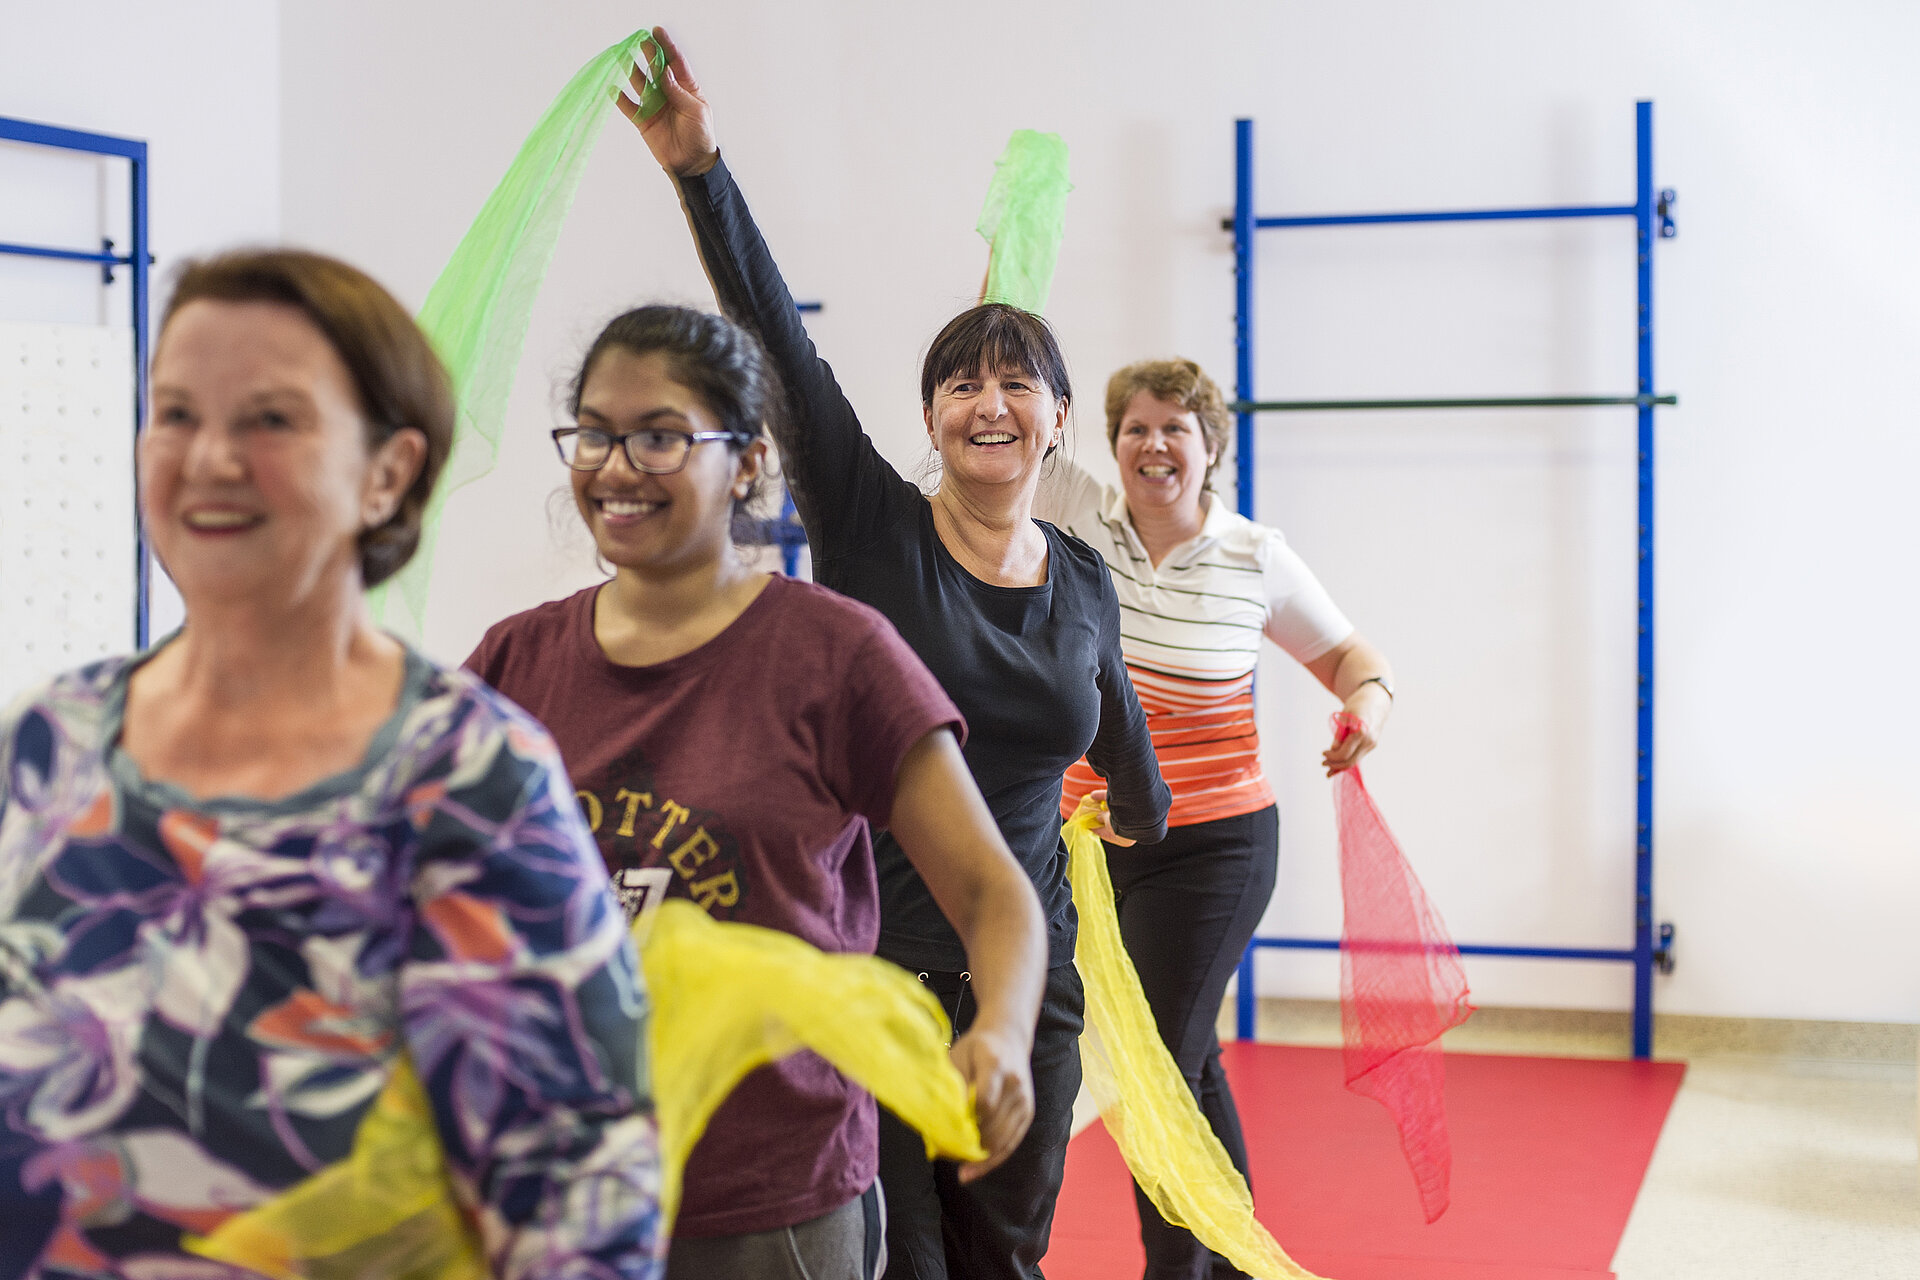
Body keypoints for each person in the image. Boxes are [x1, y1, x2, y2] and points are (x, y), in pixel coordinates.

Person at [617, 29, 1172, 1280]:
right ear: (929, 418)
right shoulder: (873, 528)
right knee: (900, 1264)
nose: (988, 403)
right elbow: (773, 334)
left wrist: (1148, 808)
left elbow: (1118, 724)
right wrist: (701, 170)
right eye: (961, 384)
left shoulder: (1084, 576)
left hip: (1027, 989)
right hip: (870, 980)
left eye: (1016, 383)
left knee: (1004, 1261)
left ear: (1057, 419)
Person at [0, 250, 661, 1276]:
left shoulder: (468, 778)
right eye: (174, 413)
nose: (209, 456)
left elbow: (580, 1207)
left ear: (387, 471)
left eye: (269, 419)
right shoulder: (51, 739)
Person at [464, 304, 1049, 1280]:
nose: (616, 466)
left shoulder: (831, 653)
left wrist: (1002, 1031)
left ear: (745, 461)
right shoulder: (517, 660)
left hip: (770, 1201)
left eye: (659, 436)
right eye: (596, 434)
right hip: (556, 1177)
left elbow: (995, 893)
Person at [1034, 358, 1396, 1280]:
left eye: (1175, 429)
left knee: (1153, 1062)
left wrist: (1367, 712)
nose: (1154, 446)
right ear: (1110, 443)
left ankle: (1179, 1270)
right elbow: (1020, 405)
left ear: (1210, 448)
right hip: (1092, 849)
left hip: (1216, 847)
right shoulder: (1080, 517)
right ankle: (1232, 1262)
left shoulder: (1252, 553)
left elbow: (1356, 657)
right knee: (1185, 1060)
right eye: (1135, 429)